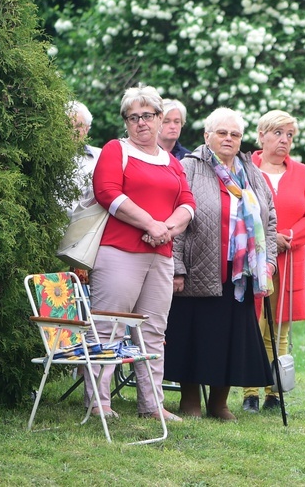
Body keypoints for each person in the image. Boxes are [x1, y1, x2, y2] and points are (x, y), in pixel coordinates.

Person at [86, 85, 196, 422]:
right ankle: (99, 401)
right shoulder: (115, 150)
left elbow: (188, 202)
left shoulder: (171, 161)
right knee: (108, 327)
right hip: (119, 250)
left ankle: (151, 404)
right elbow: (107, 193)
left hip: (161, 255)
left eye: (147, 116)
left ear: (160, 119)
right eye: (133, 118)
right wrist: (150, 223)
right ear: (126, 122)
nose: (141, 123)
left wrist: (168, 228)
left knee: (153, 332)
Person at [165, 107, 277, 422]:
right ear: (207, 136)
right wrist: (176, 266)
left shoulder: (251, 172)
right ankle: (190, 402)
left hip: (239, 274)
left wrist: (267, 265)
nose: (228, 139)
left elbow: (268, 220)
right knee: (194, 337)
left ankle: (219, 403)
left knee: (229, 339)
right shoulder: (188, 167)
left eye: (235, 134)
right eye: (222, 133)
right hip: (197, 268)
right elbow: (175, 220)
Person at [242, 110, 305, 413]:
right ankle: (249, 391)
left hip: (290, 260)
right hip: (254, 258)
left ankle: (273, 392)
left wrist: (287, 236)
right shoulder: (246, 169)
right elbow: (240, 210)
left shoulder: (303, 173)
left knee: (279, 329)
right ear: (261, 135)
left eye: (289, 135)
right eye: (278, 133)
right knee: (253, 323)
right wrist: (268, 238)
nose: (284, 140)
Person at [66, 100, 101, 214]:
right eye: (66, 126)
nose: (70, 132)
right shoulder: (47, 157)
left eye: (77, 127)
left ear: (87, 129)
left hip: (88, 225)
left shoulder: (100, 157)